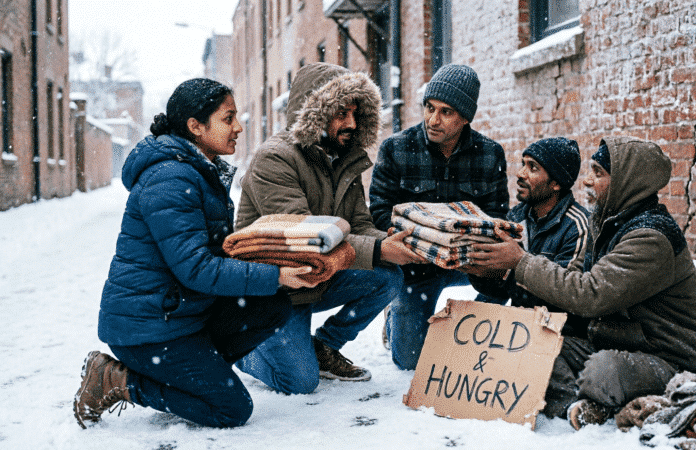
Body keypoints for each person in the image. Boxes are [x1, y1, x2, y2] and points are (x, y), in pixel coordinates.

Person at [73, 78, 317, 429]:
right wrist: (275, 274)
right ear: (196, 126)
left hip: (184, 313)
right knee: (232, 410)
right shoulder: (170, 179)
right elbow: (197, 268)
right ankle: (117, 380)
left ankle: (197, 379)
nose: (238, 127)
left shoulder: (199, 171)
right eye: (228, 118)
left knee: (271, 306)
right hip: (149, 328)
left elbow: (214, 253)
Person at [468, 136, 696, 429]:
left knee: (601, 372)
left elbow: (589, 294)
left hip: (666, 357)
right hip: (616, 340)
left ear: (626, 181)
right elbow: (572, 284)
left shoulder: (650, 237)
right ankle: (577, 406)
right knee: (534, 342)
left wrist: (520, 262)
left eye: (598, 173)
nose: (586, 181)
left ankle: (588, 399)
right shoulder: (611, 222)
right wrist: (487, 270)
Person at [235, 63, 416, 392]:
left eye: (354, 113)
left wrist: (399, 244)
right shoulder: (274, 159)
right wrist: (378, 249)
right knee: (299, 382)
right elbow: (301, 237)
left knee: (389, 275)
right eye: (340, 113)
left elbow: (360, 224)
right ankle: (244, 351)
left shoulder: (344, 157)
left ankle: (324, 346)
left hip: (317, 276)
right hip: (274, 289)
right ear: (315, 114)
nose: (351, 123)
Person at [369, 63, 510, 370]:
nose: (433, 120)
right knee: (409, 361)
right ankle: (396, 316)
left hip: (468, 260)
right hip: (416, 266)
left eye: (446, 112)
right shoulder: (396, 149)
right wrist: (418, 245)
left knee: (509, 277)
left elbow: (498, 215)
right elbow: (379, 212)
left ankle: (466, 337)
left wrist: (475, 251)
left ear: (465, 117)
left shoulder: (490, 154)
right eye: (429, 108)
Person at [464, 137, 590, 339]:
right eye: (524, 164)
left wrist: (512, 268)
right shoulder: (516, 217)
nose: (520, 173)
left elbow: (567, 297)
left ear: (556, 182)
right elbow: (502, 292)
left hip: (560, 336)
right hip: (520, 331)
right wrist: (480, 271)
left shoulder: (578, 227)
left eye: (533, 168)